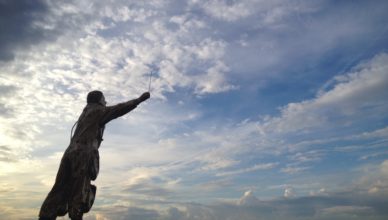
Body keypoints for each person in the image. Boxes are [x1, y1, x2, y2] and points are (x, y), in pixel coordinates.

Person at [39, 91, 150, 220]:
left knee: (59, 187)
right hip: (83, 154)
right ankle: (76, 216)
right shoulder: (98, 111)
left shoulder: (85, 112)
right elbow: (119, 109)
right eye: (104, 100)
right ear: (98, 101)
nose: (106, 102)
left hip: (69, 153)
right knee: (80, 189)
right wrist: (139, 100)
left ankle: (45, 216)